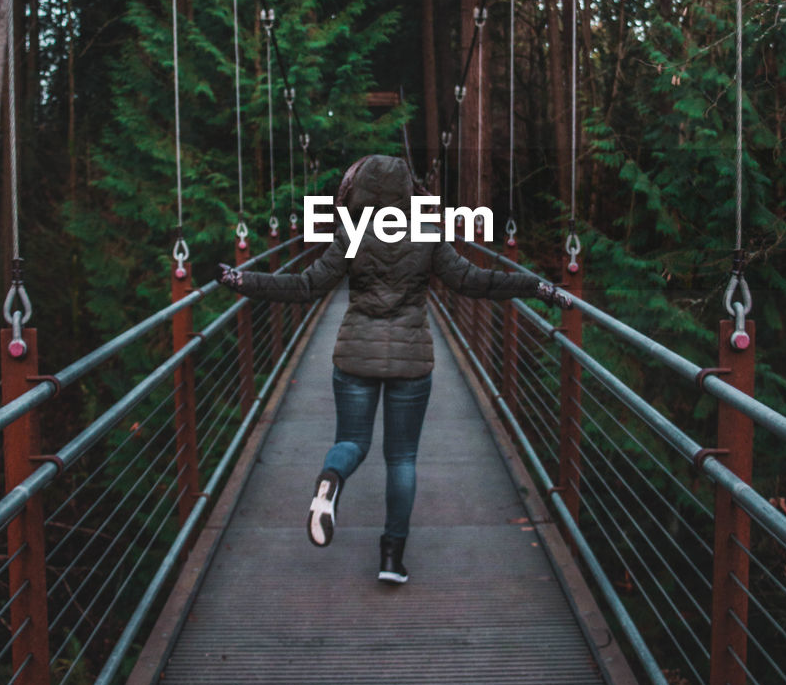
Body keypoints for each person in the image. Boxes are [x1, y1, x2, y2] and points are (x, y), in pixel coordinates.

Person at [217, 155, 572, 585]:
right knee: (401, 458)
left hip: (355, 356)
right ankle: (391, 558)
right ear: (408, 191)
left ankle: (331, 479)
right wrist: (535, 285)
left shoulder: (350, 232)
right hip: (411, 360)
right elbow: (474, 281)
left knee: (351, 440)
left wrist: (243, 281)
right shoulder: (427, 230)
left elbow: (305, 287)